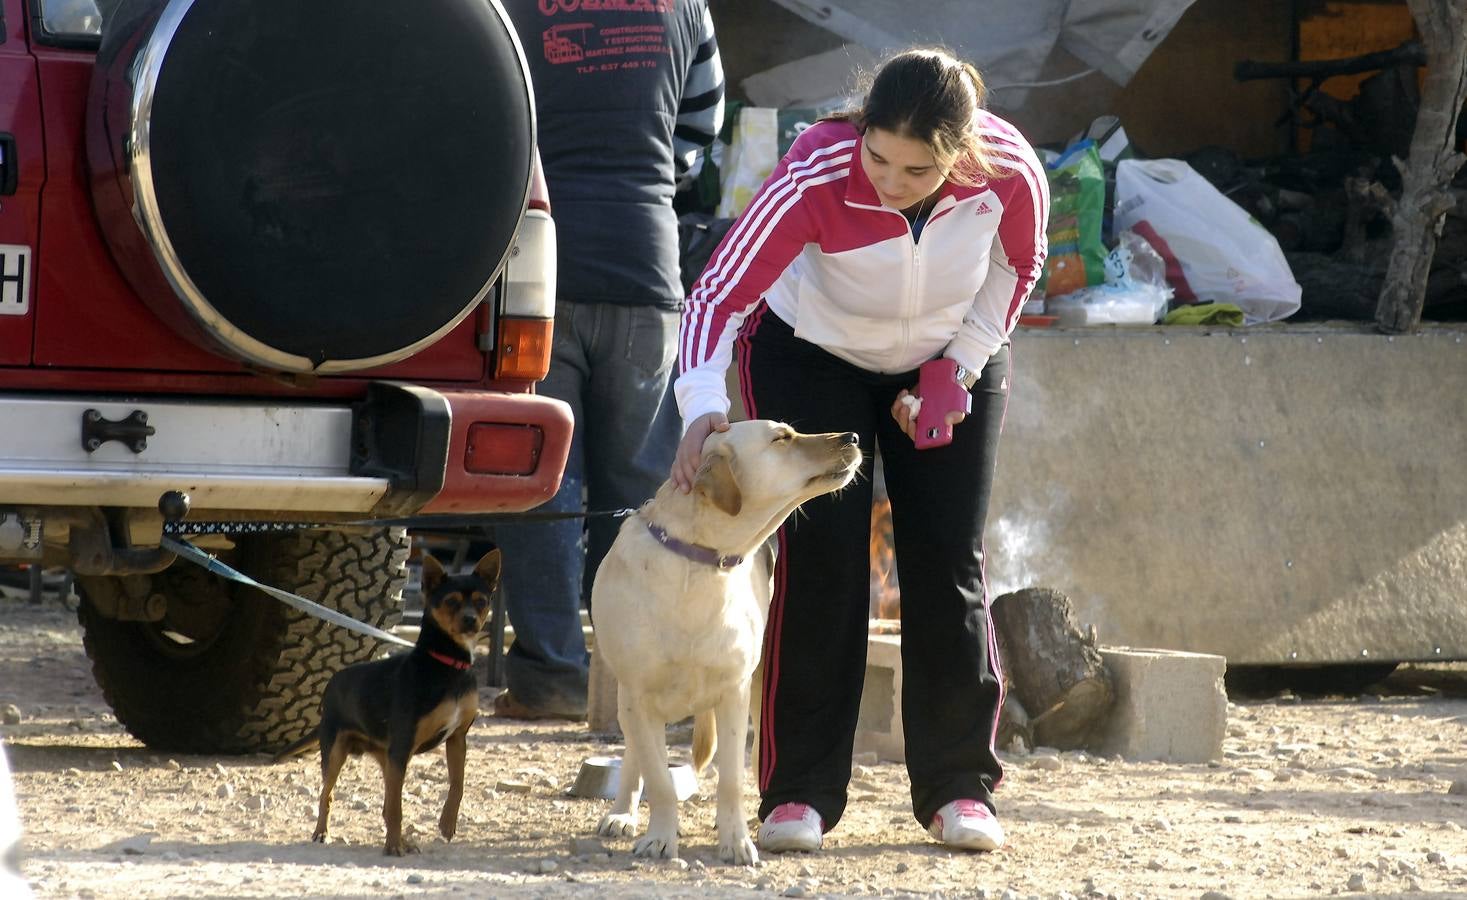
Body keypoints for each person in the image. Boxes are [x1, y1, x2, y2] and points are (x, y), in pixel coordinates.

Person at [671, 48, 1048, 852]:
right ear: (860, 127)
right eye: (877, 155)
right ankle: (798, 793)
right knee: (824, 561)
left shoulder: (1010, 172)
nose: (889, 179)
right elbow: (716, 296)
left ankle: (959, 788)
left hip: (947, 353)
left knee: (946, 556)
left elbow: (1019, 265)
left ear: (962, 153)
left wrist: (960, 367)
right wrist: (700, 408)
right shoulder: (814, 171)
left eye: (917, 169)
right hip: (811, 351)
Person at [493, 0, 725, 720]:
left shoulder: (505, 7)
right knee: (643, 489)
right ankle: (648, 681)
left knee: (539, 481)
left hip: (533, 261)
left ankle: (553, 677)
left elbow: (477, 116)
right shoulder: (686, 7)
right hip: (644, 261)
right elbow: (699, 133)